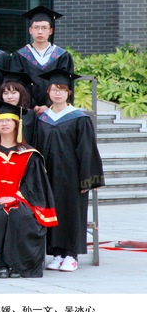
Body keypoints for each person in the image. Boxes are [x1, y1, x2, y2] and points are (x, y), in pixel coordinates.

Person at [34, 68, 104, 272]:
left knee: (71, 212)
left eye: (62, 89)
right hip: (48, 174)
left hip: (71, 176)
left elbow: (87, 150)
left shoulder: (79, 118)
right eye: (54, 89)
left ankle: (71, 255)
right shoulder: (42, 118)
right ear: (48, 92)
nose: (57, 93)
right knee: (52, 211)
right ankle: (56, 253)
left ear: (69, 93)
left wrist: (86, 179)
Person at [0, 102, 57, 278]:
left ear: (17, 124)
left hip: (25, 202)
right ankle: (2, 264)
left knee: (19, 214)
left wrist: (15, 198)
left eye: (8, 120)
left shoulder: (30, 154)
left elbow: (36, 186)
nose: (4, 124)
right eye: (1, 121)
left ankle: (18, 264)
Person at [10, 6, 74, 113]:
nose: (40, 31)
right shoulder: (20, 56)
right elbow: (17, 84)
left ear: (50, 31)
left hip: (55, 110)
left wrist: (49, 105)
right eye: (36, 27)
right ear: (30, 30)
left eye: (44, 28)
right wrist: (32, 105)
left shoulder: (62, 56)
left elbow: (66, 84)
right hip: (28, 110)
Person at [0, 69, 37, 145]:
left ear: (22, 94)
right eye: (5, 93)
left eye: (13, 93)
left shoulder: (29, 115)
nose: (9, 97)